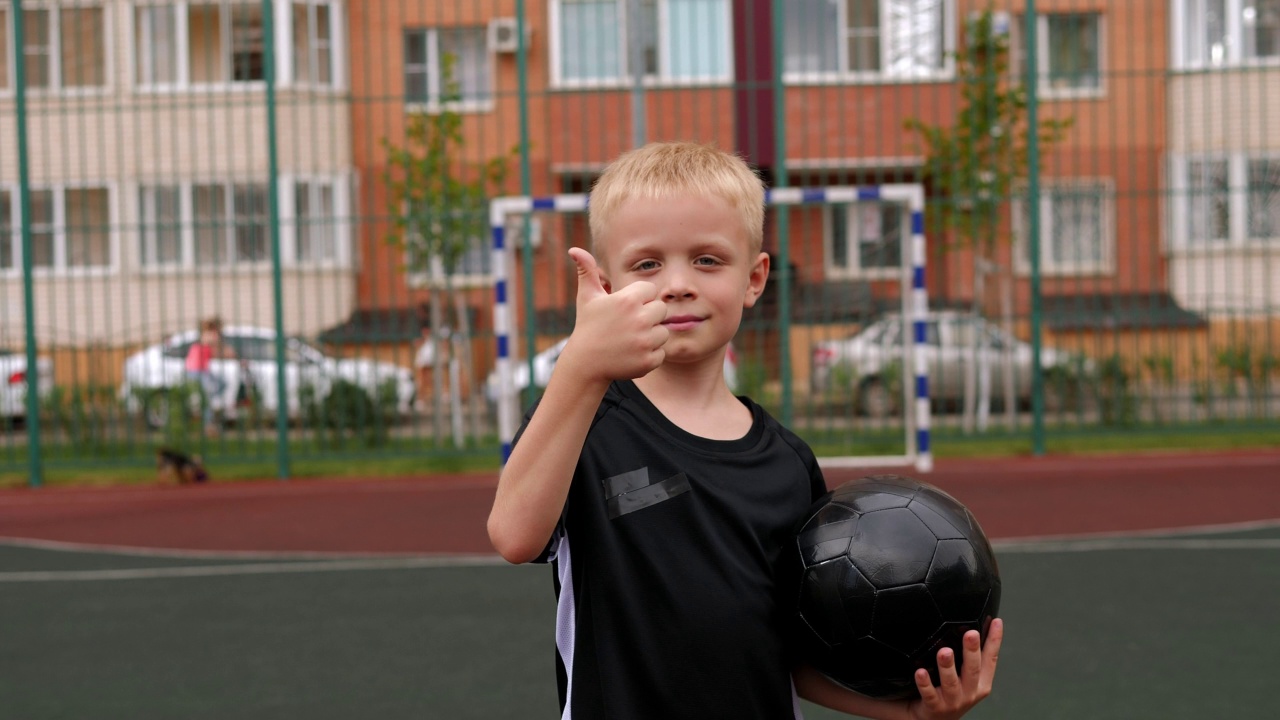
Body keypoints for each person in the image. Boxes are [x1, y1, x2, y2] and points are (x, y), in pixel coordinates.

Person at [487, 142, 1002, 720]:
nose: (677, 284)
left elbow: (793, 650)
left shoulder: (785, 459)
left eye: (707, 260)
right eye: (647, 264)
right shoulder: (584, 417)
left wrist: (905, 712)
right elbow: (513, 535)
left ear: (754, 278)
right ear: (606, 288)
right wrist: (580, 366)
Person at [185, 316, 233, 433]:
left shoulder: (209, 337)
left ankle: (205, 401)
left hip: (203, 371)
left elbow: (217, 351)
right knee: (206, 400)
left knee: (222, 383)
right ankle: (208, 426)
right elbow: (216, 344)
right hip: (196, 370)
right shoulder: (208, 335)